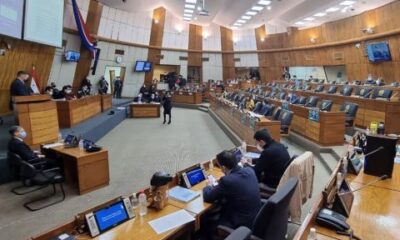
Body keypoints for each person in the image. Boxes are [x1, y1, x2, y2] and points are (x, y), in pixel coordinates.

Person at [201, 151, 261, 239]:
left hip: (238, 223)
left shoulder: (227, 181)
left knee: (206, 221)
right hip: (254, 218)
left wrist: (208, 186)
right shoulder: (249, 170)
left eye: (220, 166)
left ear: (224, 168)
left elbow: (208, 197)